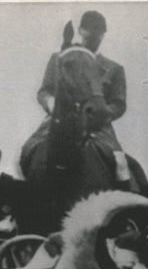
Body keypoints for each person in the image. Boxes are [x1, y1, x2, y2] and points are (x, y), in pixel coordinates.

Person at [34, 10, 130, 184]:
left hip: (98, 127)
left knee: (120, 165)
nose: (92, 38)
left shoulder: (114, 68)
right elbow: (44, 90)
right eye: (88, 32)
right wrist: (51, 103)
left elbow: (119, 103)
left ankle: (125, 205)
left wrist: (101, 112)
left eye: (97, 34)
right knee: (29, 150)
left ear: (103, 35)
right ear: (80, 31)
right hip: (59, 120)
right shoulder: (58, 59)